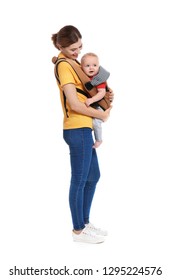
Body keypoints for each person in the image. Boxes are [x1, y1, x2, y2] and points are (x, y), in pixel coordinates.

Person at [51, 25, 113, 244]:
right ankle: (78, 231)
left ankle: (84, 223)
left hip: (85, 127)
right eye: (73, 48)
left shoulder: (74, 63)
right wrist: (103, 116)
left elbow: (92, 84)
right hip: (76, 127)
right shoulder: (64, 65)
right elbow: (75, 103)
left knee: (93, 176)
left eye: (80, 47)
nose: (78, 51)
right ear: (61, 46)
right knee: (78, 179)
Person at [81, 52, 110, 148]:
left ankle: (99, 140)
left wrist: (92, 100)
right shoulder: (85, 77)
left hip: (100, 105)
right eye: (87, 65)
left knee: (96, 122)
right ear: (81, 67)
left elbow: (101, 93)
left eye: (94, 65)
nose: (91, 68)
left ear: (99, 66)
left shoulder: (98, 78)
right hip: (94, 104)